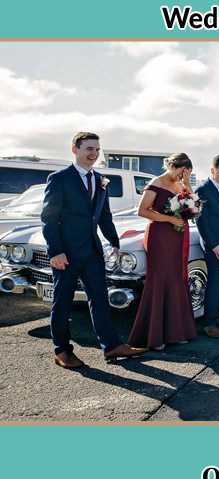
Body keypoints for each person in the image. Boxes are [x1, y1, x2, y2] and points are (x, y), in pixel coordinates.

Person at [40, 131, 146, 368]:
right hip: (65, 254)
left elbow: (104, 216)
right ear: (75, 149)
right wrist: (55, 251)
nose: (94, 154)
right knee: (63, 302)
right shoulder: (59, 178)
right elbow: (48, 218)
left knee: (99, 299)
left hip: (93, 252)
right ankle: (62, 351)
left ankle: (111, 346)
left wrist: (115, 243)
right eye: (89, 149)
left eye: (97, 149)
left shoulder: (100, 179)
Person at [128, 153, 198, 350]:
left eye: (186, 172)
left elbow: (194, 210)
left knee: (177, 279)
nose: (181, 175)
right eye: (180, 171)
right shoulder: (157, 182)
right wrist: (170, 219)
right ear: (172, 165)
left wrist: (187, 184)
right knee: (160, 279)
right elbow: (142, 211)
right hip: (160, 236)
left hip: (178, 237)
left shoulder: (181, 185)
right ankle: (155, 335)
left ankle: (177, 332)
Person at [195, 155, 219, 338]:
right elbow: (201, 221)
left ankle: (217, 316)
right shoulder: (202, 190)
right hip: (214, 246)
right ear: (212, 170)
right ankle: (209, 323)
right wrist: (214, 245)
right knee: (214, 283)